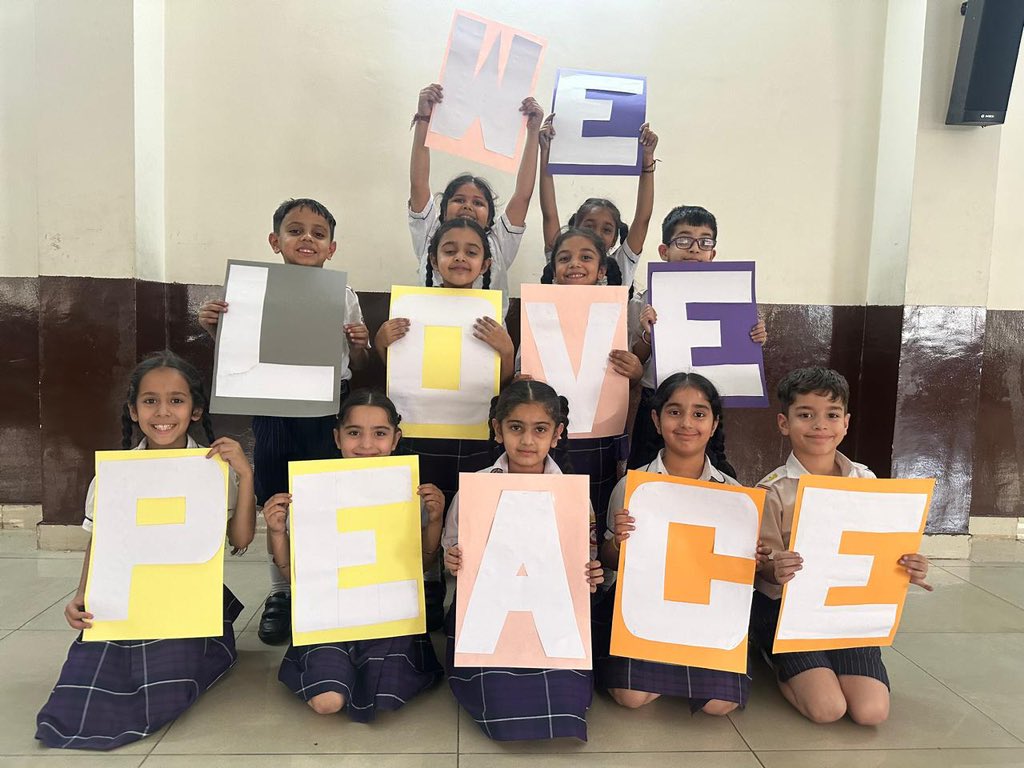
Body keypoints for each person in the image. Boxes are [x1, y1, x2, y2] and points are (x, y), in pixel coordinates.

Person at [36, 351, 256, 750]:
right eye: (150, 400)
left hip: (188, 602)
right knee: (80, 693)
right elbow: (100, 543)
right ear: (134, 411)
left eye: (176, 400)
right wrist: (81, 594)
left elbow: (240, 541)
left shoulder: (213, 470)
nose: (163, 411)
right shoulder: (115, 473)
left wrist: (245, 473)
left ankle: (215, 644)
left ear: (194, 411)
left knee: (164, 692)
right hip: (127, 597)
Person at [198, 197, 370, 645]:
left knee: (321, 496)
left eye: (318, 233)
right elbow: (237, 351)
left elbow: (356, 358)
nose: (307, 238)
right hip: (273, 407)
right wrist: (215, 325)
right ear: (275, 241)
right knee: (277, 496)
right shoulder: (250, 292)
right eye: (295, 231)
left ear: (332, 248)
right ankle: (280, 591)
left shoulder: (343, 295)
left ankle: (319, 584)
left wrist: (358, 343)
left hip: (327, 408)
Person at [751, 367, 933, 725]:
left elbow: (885, 546)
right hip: (790, 612)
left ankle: (827, 662)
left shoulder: (866, 480)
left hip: (848, 612)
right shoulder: (771, 489)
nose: (820, 425)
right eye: (805, 415)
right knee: (827, 709)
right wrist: (774, 567)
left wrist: (909, 565)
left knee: (871, 712)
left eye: (832, 415)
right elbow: (761, 566)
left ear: (845, 423)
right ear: (784, 423)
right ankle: (770, 652)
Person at [442, 380, 604, 741]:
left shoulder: (573, 495)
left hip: (553, 616)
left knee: (566, 704)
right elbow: (453, 552)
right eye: (516, 428)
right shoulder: (476, 488)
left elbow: (585, 558)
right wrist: (453, 561)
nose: (527, 441)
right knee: (499, 705)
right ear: (498, 430)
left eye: (540, 429)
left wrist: (590, 574)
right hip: (487, 617)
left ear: (557, 434)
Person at [376, 217, 515, 629]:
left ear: (486, 262)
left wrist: (506, 351)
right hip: (420, 431)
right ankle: (427, 584)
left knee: (459, 511)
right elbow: (394, 372)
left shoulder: (491, 316)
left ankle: (461, 587)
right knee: (423, 508)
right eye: (449, 250)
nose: (460, 257)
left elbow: (504, 383)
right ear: (434, 260)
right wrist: (382, 342)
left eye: (471, 251)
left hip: (471, 432)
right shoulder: (411, 310)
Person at [270, 389, 444, 720]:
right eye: (354, 433)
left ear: (396, 439)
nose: (366, 445)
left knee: (384, 694)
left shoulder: (411, 493)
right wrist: (278, 532)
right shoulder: (312, 491)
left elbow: (423, 563)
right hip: (329, 616)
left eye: (379, 433)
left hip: (388, 615)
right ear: (337, 437)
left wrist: (434, 520)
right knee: (328, 702)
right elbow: (293, 575)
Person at [596, 371, 751, 715]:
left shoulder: (732, 492)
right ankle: (669, 666)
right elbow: (608, 561)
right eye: (674, 411)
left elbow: (734, 571)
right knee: (631, 697)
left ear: (713, 424)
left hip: (704, 611)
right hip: (643, 607)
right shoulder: (633, 486)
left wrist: (753, 557)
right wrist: (619, 543)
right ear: (655, 418)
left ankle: (680, 665)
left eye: (699, 414)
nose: (686, 423)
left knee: (719, 705)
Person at [627, 205, 767, 468]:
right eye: (683, 240)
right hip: (657, 398)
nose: (694, 248)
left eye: (704, 241)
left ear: (712, 253)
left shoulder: (729, 296)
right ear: (664, 251)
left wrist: (755, 337)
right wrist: (648, 335)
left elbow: (739, 352)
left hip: (704, 400)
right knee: (644, 469)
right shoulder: (645, 301)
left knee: (712, 468)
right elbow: (636, 361)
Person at [535, 226, 643, 530]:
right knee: (554, 513)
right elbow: (524, 372)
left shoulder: (615, 316)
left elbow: (626, 377)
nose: (574, 264)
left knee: (595, 511)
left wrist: (635, 372)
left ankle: (594, 572)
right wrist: (522, 379)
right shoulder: (538, 315)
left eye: (586, 257)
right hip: (550, 436)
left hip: (599, 439)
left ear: (601, 270)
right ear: (553, 270)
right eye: (564, 258)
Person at [408, 82, 543, 312]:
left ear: (490, 216)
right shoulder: (430, 232)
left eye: (478, 203)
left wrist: (532, 133)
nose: (468, 206)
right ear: (443, 209)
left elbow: (523, 196)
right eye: (459, 200)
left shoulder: (497, 243)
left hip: (487, 344)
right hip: (432, 339)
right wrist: (424, 119)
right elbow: (418, 183)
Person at [538, 115, 659, 287]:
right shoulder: (563, 257)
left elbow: (643, 218)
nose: (597, 234)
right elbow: (549, 214)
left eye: (607, 230)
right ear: (574, 228)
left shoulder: (620, 264)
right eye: (589, 226)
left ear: (615, 238)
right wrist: (546, 153)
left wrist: (647, 158)